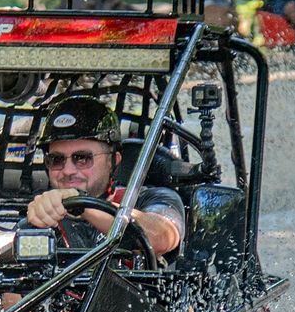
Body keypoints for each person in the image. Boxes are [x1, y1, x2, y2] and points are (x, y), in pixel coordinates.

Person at [23, 94, 183, 257]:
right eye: (56, 159)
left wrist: (81, 203)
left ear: (113, 160)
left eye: (82, 158)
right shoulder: (39, 210)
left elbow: (162, 237)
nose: (68, 170)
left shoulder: (152, 198)